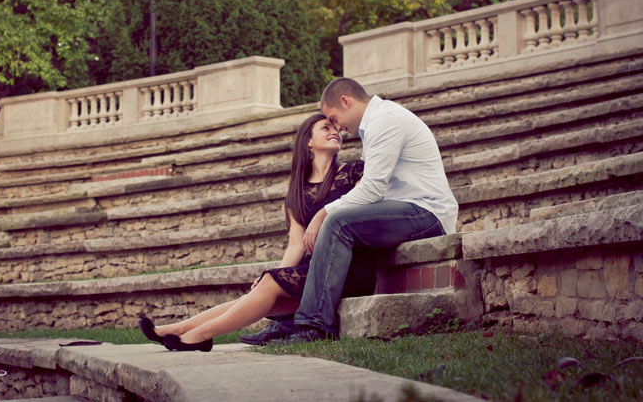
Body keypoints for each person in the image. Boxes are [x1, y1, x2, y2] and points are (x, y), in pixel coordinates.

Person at [136, 113, 367, 351]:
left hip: (343, 267)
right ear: (308, 142)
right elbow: (296, 245)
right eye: (325, 127)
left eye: (336, 128)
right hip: (310, 270)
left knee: (265, 285)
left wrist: (321, 218)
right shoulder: (297, 192)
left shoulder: (353, 172)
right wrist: (275, 275)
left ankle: (199, 335)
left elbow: (362, 203)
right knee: (256, 292)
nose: (335, 132)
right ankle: (176, 329)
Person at [280, 77, 458, 343]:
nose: (337, 127)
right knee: (338, 222)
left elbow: (372, 189)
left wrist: (323, 212)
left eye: (333, 117)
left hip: (427, 213)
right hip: (406, 210)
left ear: (346, 101)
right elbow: (365, 187)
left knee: (337, 222)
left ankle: (313, 325)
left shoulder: (384, 121)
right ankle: (289, 320)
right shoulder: (375, 124)